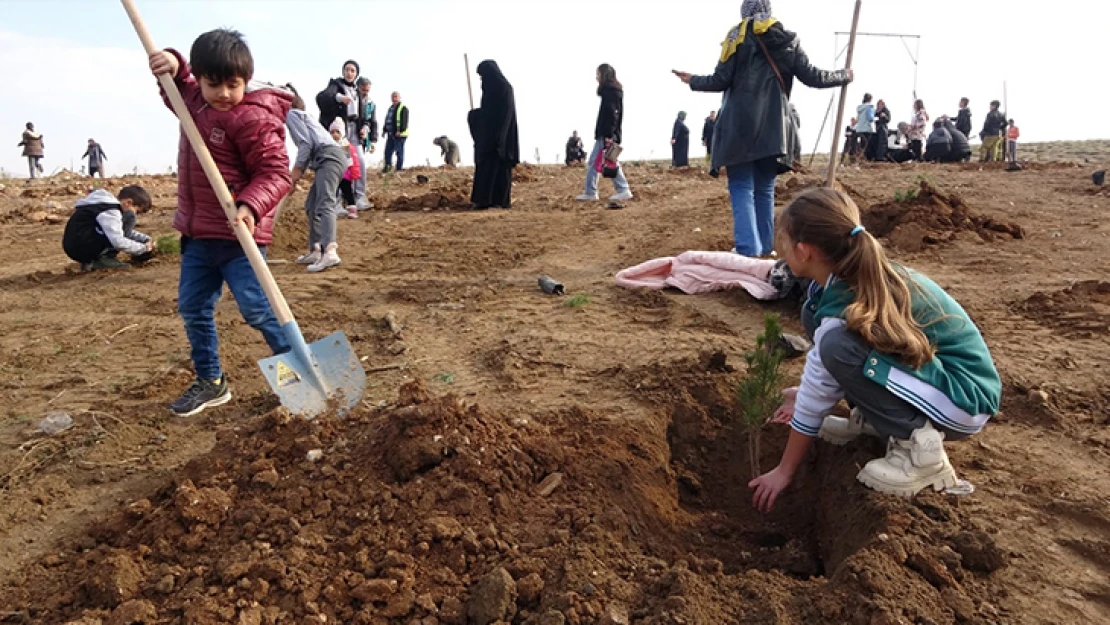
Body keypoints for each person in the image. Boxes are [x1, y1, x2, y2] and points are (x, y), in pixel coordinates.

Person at [749, 188, 1000, 511]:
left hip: (964, 398)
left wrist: (784, 471)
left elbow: (824, 379)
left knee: (838, 346)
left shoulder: (847, 306)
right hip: (939, 381)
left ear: (803, 251)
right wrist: (806, 391)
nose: (778, 248)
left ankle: (920, 449)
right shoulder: (848, 279)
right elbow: (826, 374)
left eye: (781, 239)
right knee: (815, 315)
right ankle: (874, 418)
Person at [148, 29, 293, 417]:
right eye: (214, 84)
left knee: (258, 310)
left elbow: (277, 173)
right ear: (203, 79)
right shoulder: (194, 103)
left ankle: (297, 375)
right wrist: (175, 64)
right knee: (193, 307)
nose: (224, 94)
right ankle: (211, 382)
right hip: (197, 237)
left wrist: (249, 206)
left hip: (238, 236)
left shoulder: (252, 119)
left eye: (234, 85)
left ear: (246, 80)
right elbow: (176, 87)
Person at [672, 0, 851, 256]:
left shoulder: (737, 36)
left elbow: (721, 80)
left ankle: (748, 249)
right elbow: (812, 76)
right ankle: (765, 248)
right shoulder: (787, 38)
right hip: (774, 127)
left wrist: (693, 80)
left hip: (739, 125)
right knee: (765, 188)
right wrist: (844, 75)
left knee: (742, 185)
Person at [286, 86, 347, 272]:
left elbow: (306, 144)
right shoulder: (305, 117)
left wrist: (296, 172)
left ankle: (329, 252)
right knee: (312, 206)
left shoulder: (292, 114)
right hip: (326, 159)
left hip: (329, 157)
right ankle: (316, 249)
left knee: (325, 203)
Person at [576, 63, 633, 202]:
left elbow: (612, 115)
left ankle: (592, 192)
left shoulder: (610, 92)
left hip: (607, 134)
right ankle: (622, 189)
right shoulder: (613, 91)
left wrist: (609, 135)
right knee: (609, 161)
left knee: (596, 162)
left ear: (604, 75)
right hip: (610, 133)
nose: (596, 77)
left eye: (598, 74)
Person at [63, 186, 153, 271]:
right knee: (129, 217)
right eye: (137, 211)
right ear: (128, 202)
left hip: (78, 244)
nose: (136, 215)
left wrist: (145, 239)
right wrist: (143, 249)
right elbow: (118, 241)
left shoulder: (104, 205)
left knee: (115, 229)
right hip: (82, 247)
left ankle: (91, 261)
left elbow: (120, 230)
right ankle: (101, 260)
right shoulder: (111, 212)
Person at [468, 60, 519, 210]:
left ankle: (498, 202)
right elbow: (488, 114)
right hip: (488, 139)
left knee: (499, 170)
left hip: (500, 140)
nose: (481, 80)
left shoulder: (504, 89)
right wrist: (475, 116)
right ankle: (483, 201)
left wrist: (499, 140)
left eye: (483, 76)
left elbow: (504, 116)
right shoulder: (490, 91)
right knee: (486, 168)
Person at [330, 119, 362, 220]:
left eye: (337, 132)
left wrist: (353, 173)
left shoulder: (345, 145)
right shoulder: (329, 145)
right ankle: (334, 208)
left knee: (348, 192)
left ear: (342, 133)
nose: (335, 134)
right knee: (333, 192)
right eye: (332, 132)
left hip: (345, 174)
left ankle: (352, 209)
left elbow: (350, 161)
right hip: (334, 174)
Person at [382, 91, 409, 172]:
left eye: (396, 96)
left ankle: (399, 169)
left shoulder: (403, 108)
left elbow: (405, 121)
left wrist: (400, 131)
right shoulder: (390, 108)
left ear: (400, 98)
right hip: (390, 134)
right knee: (387, 152)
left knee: (399, 152)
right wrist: (384, 130)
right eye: (393, 96)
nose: (394, 98)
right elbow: (387, 120)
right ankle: (388, 168)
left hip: (400, 135)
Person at [356, 77, 379, 158]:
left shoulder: (371, 104)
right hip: (351, 135)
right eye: (363, 90)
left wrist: (373, 141)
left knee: (359, 159)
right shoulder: (352, 100)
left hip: (363, 137)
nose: (365, 93)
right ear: (357, 87)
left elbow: (373, 122)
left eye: (367, 90)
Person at [854, 93, 875, 160]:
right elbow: (870, 118)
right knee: (867, 145)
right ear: (870, 99)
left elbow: (858, 118)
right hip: (867, 128)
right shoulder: (869, 107)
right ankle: (865, 159)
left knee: (862, 144)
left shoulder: (860, 108)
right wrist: (876, 118)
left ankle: (860, 158)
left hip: (860, 128)